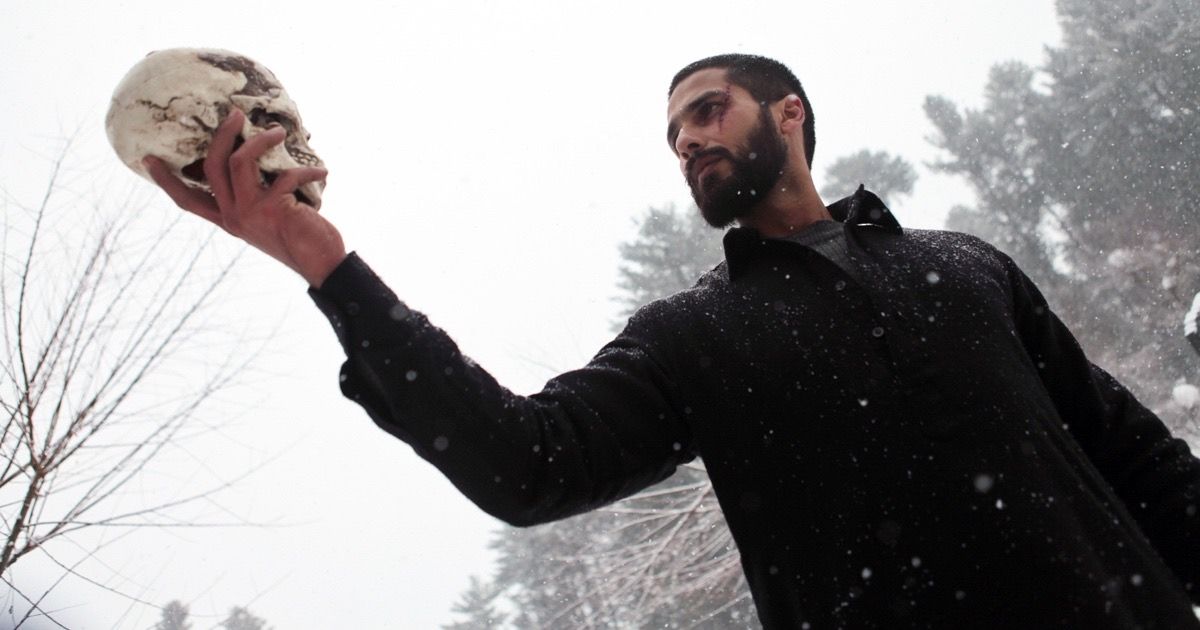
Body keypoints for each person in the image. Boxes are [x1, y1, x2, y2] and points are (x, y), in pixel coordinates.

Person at [145, 53, 1200, 629]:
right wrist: (329, 269)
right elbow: (526, 461)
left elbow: (1139, 458)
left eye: (708, 109)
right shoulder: (694, 335)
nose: (689, 138)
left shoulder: (966, 266)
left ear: (789, 116)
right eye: (674, 133)